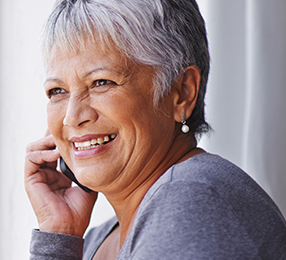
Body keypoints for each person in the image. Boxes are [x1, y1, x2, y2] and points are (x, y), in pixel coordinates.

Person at [24, 0, 286, 259]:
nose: (72, 117)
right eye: (57, 91)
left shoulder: (189, 202)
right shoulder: (94, 239)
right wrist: (59, 236)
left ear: (182, 93)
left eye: (101, 82)